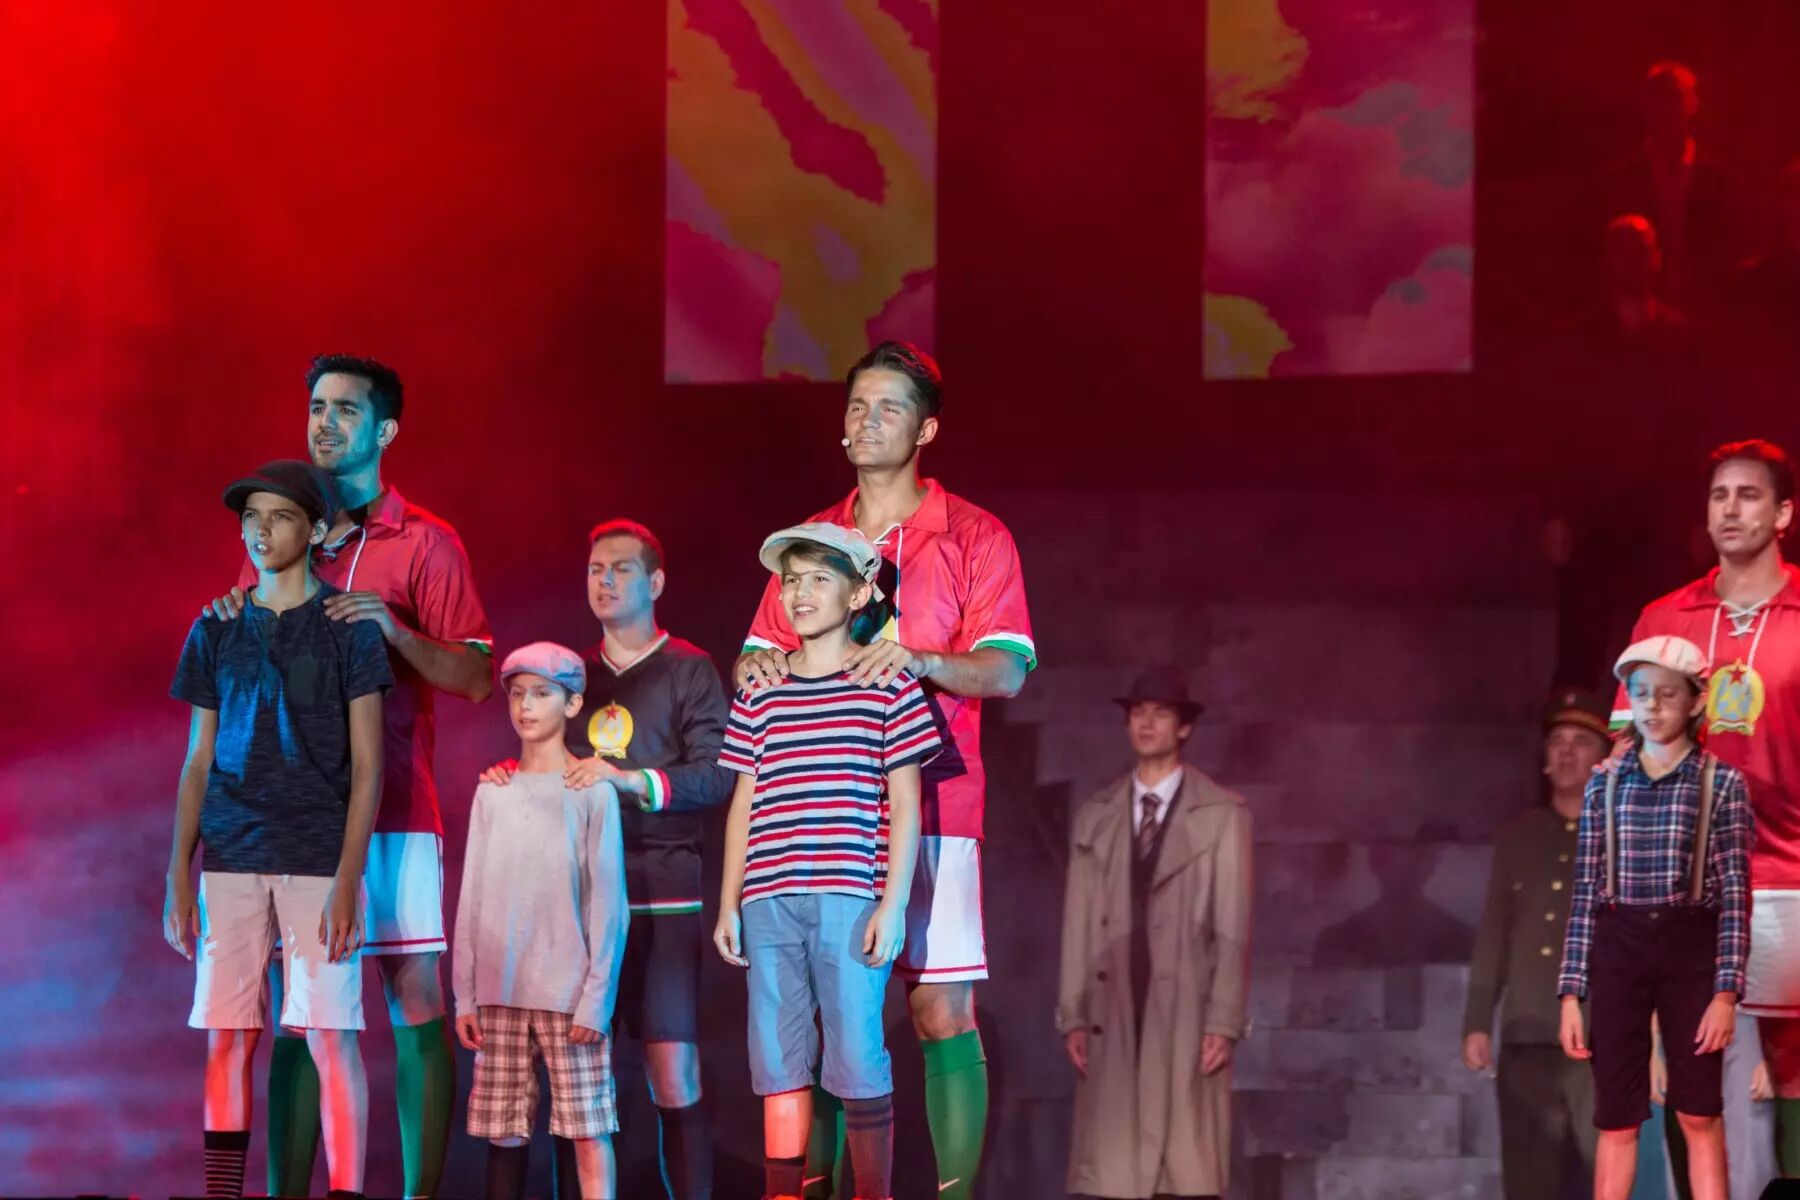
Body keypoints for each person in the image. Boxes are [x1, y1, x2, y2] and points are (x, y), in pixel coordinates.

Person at [733, 342, 1034, 1200]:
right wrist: (756, 666)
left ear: (926, 429)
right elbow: (753, 661)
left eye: (890, 408)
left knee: (938, 1008)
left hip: (937, 802)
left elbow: (1007, 669)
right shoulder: (811, 542)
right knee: (829, 1016)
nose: (868, 422)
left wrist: (922, 661)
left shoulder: (974, 534)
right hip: (819, 817)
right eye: (858, 405)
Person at [206, 355, 494, 1198]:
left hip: (395, 805)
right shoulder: (280, 534)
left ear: (385, 430)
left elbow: (478, 678)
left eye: (345, 409)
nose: (324, 422)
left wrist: (396, 633)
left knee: (414, 994)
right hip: (293, 819)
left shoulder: (426, 541)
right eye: (315, 407)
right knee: (301, 1011)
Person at [479, 519, 729, 1198]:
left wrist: (630, 781)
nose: (605, 581)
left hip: (659, 893)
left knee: (672, 1074)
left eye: (621, 569)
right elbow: (540, 756)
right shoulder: (572, 674)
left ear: (656, 582)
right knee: (576, 1082)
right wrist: (511, 774)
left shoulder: (689, 668)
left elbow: (719, 775)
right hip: (574, 902)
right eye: (595, 569)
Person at [163, 460, 392, 1200]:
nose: (260, 530)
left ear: (317, 529)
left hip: (318, 859)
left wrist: (349, 879)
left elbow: (369, 766)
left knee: (330, 1037)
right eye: (250, 518)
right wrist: (177, 875)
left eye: (280, 516)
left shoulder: (349, 631)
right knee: (228, 1035)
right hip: (230, 855)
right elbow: (197, 761)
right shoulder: (216, 627)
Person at [715, 523, 941, 1200]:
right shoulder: (760, 690)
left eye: (819, 578)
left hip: (848, 896)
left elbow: (907, 803)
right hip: (768, 898)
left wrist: (892, 905)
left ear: (858, 593)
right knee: (779, 1060)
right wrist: (729, 902)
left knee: (857, 1054)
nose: (801, 592)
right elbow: (743, 801)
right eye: (791, 580)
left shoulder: (886, 686)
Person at [1613, 439, 1800, 1178]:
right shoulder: (1667, 617)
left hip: (1793, 882)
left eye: (1749, 494)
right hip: (1695, 894)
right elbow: (1626, 759)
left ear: (1783, 514)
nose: (1730, 508)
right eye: (1719, 494)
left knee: (1785, 1091)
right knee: (1709, 1100)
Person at [1559, 636, 1753, 1200]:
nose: (1652, 706)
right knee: (1616, 1117)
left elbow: (1735, 895)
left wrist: (1725, 992)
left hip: (1689, 949)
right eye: (1641, 693)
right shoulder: (1605, 783)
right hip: (1619, 949)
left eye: (1667, 694)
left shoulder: (1721, 783)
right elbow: (1586, 892)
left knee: (1698, 1111)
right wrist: (1571, 992)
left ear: (1696, 701)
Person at [1056, 666, 1251, 1200]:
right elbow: (1077, 922)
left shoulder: (1220, 814)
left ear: (1183, 727)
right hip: (1114, 995)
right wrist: (1074, 1014)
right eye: (1138, 713)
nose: (1146, 723)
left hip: (1183, 998)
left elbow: (1232, 924)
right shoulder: (1097, 814)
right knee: (1115, 1162)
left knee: (1181, 1163)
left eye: (1160, 713)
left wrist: (1224, 1018)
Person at [454, 642, 628, 1200]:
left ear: (572, 704)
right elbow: (471, 898)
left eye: (542, 694)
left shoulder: (592, 792)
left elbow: (609, 905)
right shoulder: (493, 792)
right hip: (500, 991)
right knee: (503, 1132)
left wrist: (597, 998)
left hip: (568, 993)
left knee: (587, 1128)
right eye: (517, 694)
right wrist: (465, 996)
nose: (526, 706)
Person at [1463, 688, 1612, 1199]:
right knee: (1530, 1180)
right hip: (1528, 1031)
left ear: (1603, 759)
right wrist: (1477, 1021)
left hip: (1597, 1035)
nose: (1566, 753)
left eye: (1581, 742)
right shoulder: (1518, 837)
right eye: (1557, 742)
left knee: (1601, 1175)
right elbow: (1494, 934)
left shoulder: (1620, 839)